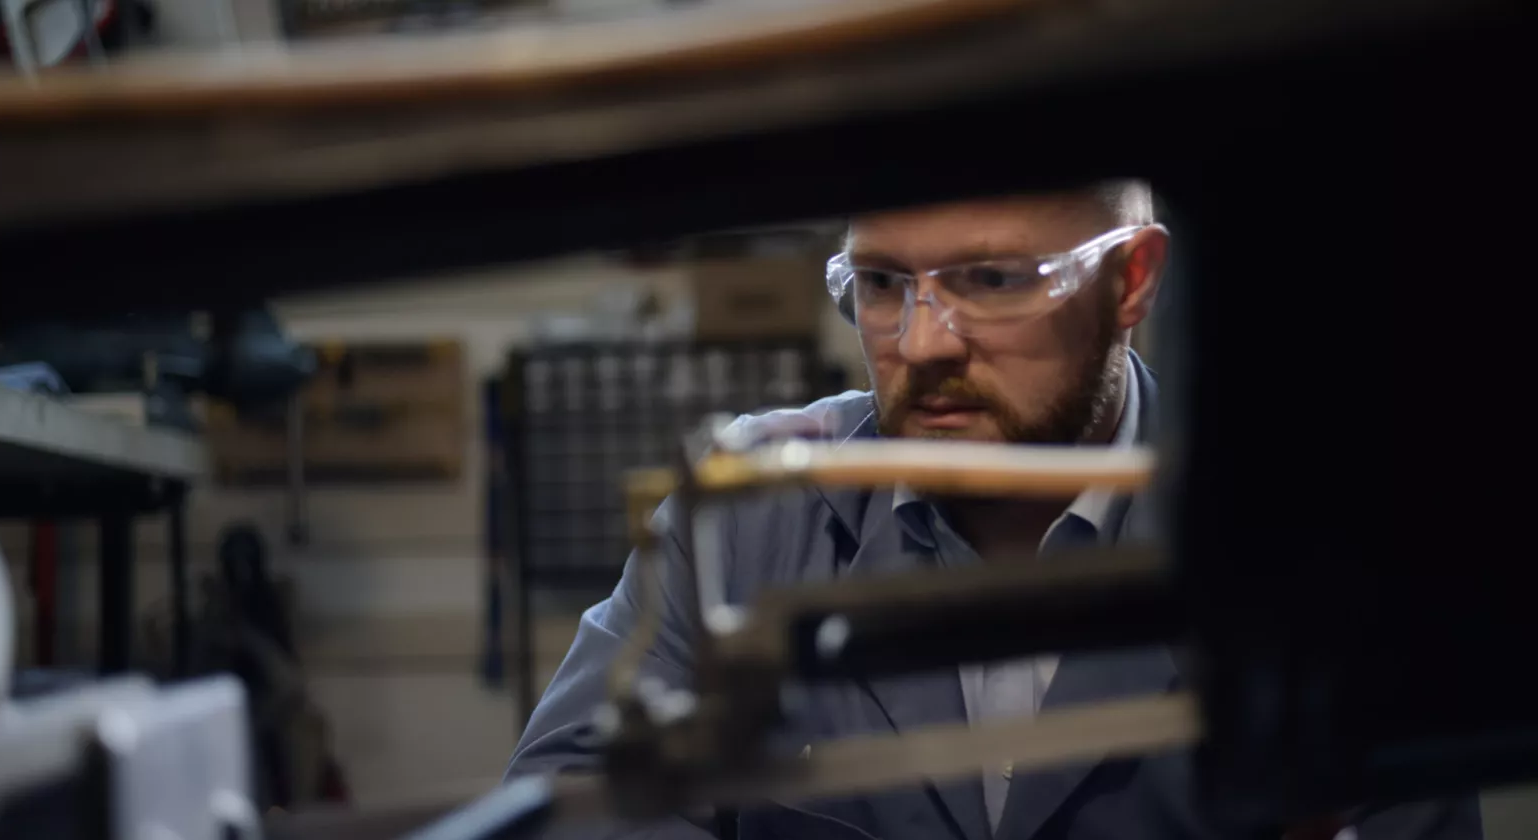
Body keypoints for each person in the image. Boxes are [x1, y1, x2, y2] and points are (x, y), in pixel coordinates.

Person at [507, 184, 1483, 840]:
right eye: (883, 284)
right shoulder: (750, 510)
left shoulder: (1301, 535)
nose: (923, 342)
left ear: (1131, 279)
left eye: (993, 281)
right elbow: (571, 801)